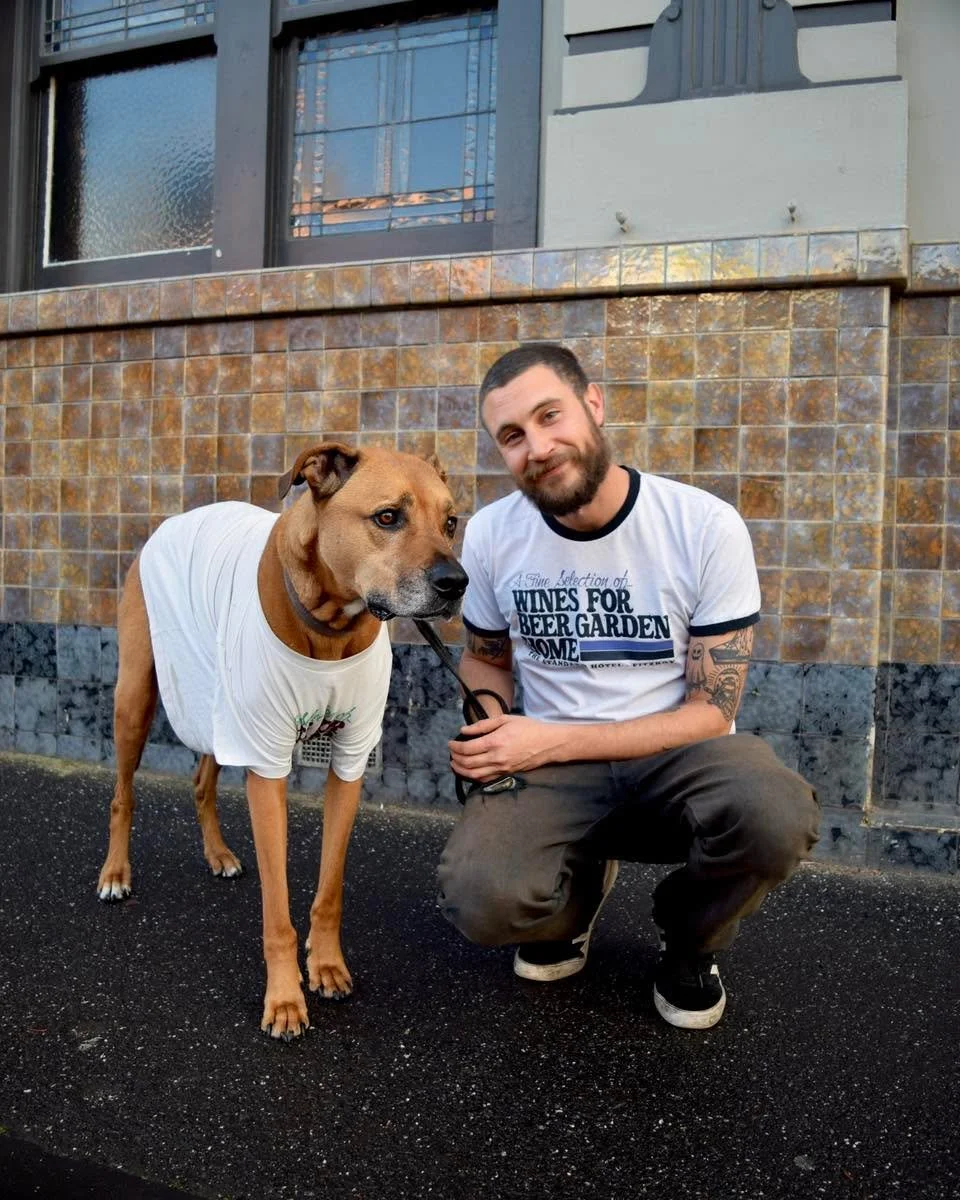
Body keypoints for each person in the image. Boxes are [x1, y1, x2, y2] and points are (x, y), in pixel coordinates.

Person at [437, 343, 820, 1029]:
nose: (538, 446)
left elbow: (712, 711)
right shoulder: (494, 534)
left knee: (775, 813)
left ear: (594, 404)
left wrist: (546, 744)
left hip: (678, 753)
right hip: (552, 762)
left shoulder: (701, 526)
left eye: (550, 415)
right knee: (481, 897)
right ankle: (571, 903)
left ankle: (691, 941)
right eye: (512, 436)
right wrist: (489, 722)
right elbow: (486, 657)